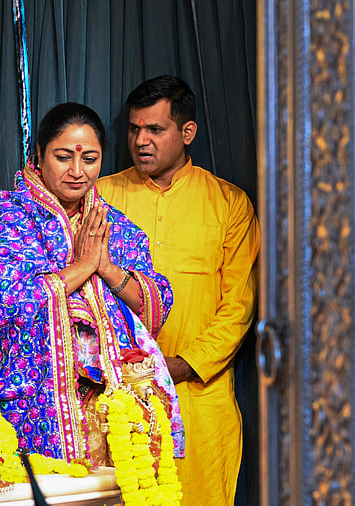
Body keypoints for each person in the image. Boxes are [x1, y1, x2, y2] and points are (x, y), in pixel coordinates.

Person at [0, 102, 183, 464]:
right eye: (63, 157)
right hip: (32, 401)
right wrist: (83, 266)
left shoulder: (111, 223)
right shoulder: (7, 216)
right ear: (38, 155)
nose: (77, 172)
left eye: (90, 159)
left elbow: (156, 302)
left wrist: (108, 269)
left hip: (107, 411)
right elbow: (1, 303)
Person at [97, 75, 259, 505]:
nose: (141, 141)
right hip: (115, 397)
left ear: (187, 132)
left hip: (200, 402)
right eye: (134, 129)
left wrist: (183, 365)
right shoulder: (100, 196)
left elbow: (238, 308)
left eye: (155, 129)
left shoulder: (229, 204)